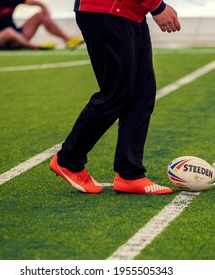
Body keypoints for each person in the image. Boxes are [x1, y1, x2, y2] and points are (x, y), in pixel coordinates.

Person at [50, 0, 181, 194]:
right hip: (108, 10)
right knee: (117, 92)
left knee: (141, 93)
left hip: (131, 12)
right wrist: (156, 6)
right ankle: (68, 160)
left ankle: (130, 175)